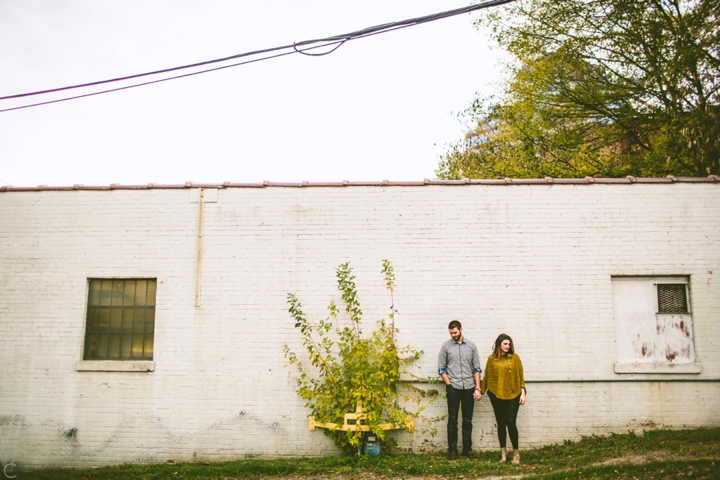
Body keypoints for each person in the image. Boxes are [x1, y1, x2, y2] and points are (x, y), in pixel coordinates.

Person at [438, 320, 482, 460]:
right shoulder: (446, 346)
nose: (453, 335)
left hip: (469, 387)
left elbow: (476, 368)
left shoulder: (471, 346)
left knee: (467, 420)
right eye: (451, 333)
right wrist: (449, 385)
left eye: (455, 332)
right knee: (452, 420)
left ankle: (467, 450)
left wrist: (478, 388)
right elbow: (441, 369)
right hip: (454, 387)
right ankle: (452, 450)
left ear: (461, 329)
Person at [481, 333, 526, 464]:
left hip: (513, 394)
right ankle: (504, 453)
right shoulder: (491, 359)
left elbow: (520, 377)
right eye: (505, 344)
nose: (507, 346)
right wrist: (480, 391)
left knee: (511, 422)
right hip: (496, 395)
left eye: (509, 344)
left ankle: (516, 453)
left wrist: (523, 392)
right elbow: (487, 376)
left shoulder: (515, 358)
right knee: (501, 423)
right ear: (499, 344)